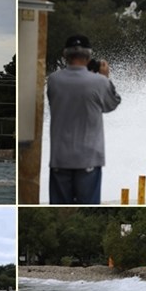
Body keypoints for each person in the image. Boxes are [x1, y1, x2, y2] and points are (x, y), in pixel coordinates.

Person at [47, 34, 120, 205]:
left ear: (65, 55)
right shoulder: (98, 82)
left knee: (59, 207)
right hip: (88, 159)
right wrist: (104, 78)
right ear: (88, 56)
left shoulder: (54, 80)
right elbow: (111, 104)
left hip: (60, 159)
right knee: (86, 205)